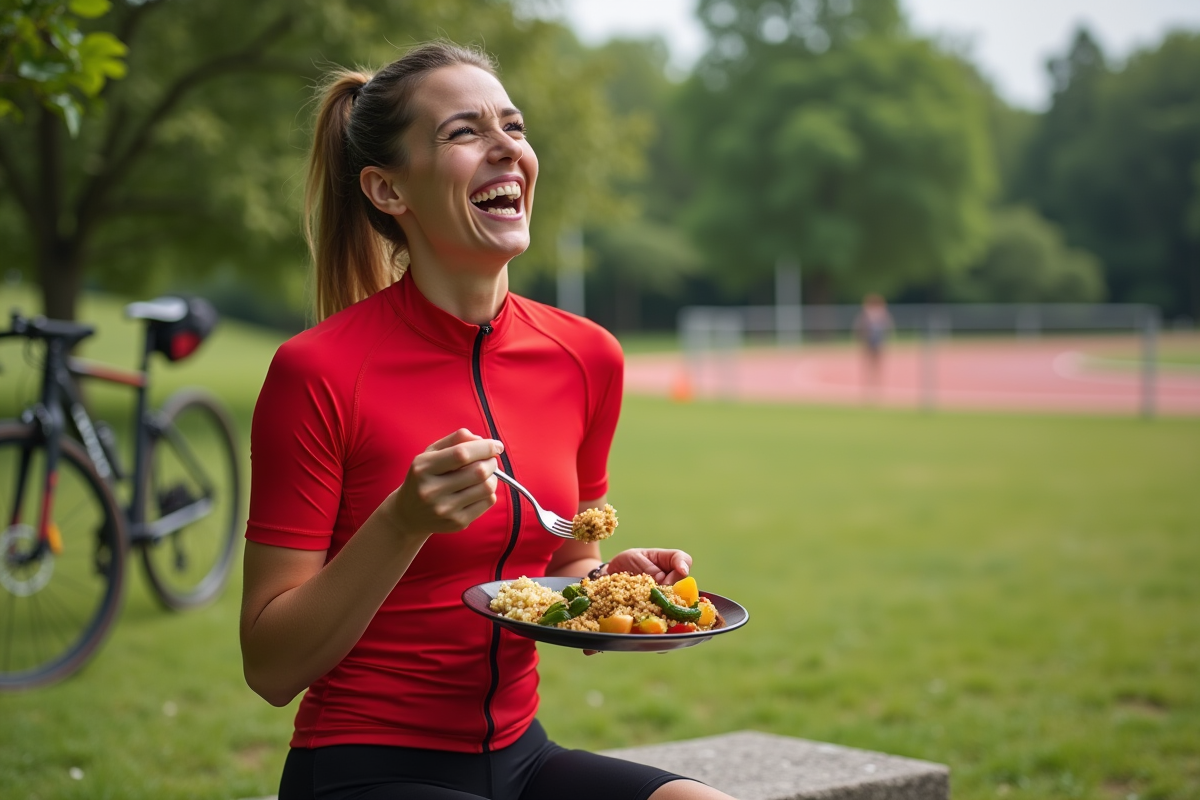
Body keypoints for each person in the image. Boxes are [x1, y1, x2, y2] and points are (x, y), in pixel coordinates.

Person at [239, 42, 734, 800]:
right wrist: (402, 522)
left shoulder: (586, 356)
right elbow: (270, 666)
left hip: (524, 757)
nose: (507, 147)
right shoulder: (318, 372)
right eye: (464, 133)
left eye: (514, 125)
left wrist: (611, 589)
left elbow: (564, 565)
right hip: (362, 764)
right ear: (387, 189)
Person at [852, 293, 893, 400]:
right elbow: (859, 328)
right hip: (868, 343)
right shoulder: (865, 315)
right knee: (869, 366)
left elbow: (887, 328)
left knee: (876, 365)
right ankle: (868, 388)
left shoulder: (882, 314)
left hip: (878, 343)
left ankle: (876, 388)